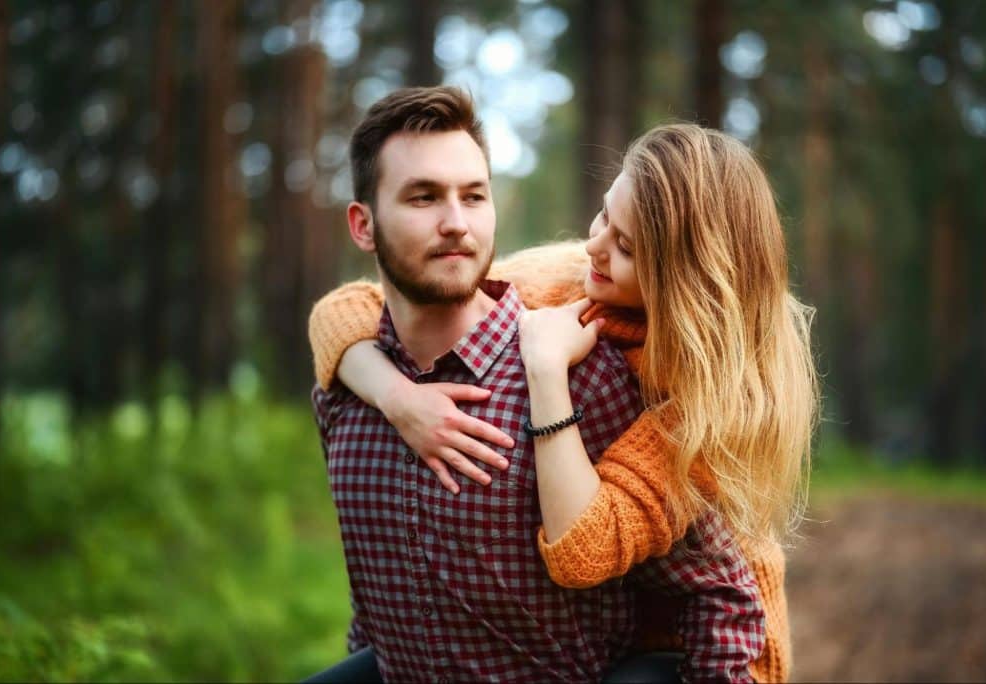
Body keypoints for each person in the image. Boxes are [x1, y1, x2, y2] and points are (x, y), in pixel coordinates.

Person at [309, 122, 819, 681]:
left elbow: (585, 551)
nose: (594, 246)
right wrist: (400, 398)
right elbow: (346, 309)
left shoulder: (707, 404)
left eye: (626, 247)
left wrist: (547, 370)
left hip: (700, 647)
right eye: (604, 215)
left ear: (684, 280)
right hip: (601, 622)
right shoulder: (570, 277)